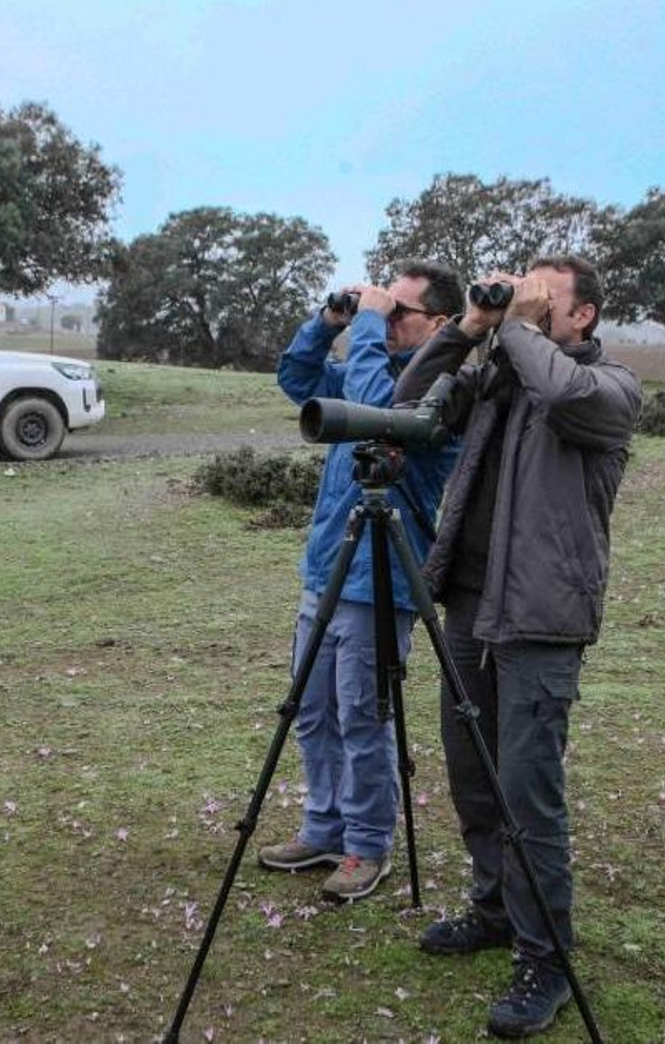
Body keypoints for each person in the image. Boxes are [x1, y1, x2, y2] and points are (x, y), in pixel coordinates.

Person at [395, 255, 642, 1039]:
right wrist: (467, 329)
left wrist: (519, 329)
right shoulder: (499, 372)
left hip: (541, 615)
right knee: (473, 774)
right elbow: (408, 408)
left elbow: (563, 394)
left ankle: (546, 957)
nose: (524, 305)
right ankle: (495, 910)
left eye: (543, 297)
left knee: (527, 792)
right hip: (471, 605)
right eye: (520, 293)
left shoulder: (610, 387)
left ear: (584, 315)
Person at [258, 260, 465, 902]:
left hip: (379, 582)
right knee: (313, 712)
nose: (386, 319)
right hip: (326, 568)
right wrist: (328, 322)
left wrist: (369, 324)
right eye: (384, 307)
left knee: (361, 717)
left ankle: (367, 844)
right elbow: (297, 380)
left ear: (441, 324)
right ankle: (323, 827)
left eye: (400, 311)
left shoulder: (442, 393)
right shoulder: (366, 364)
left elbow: (380, 410)